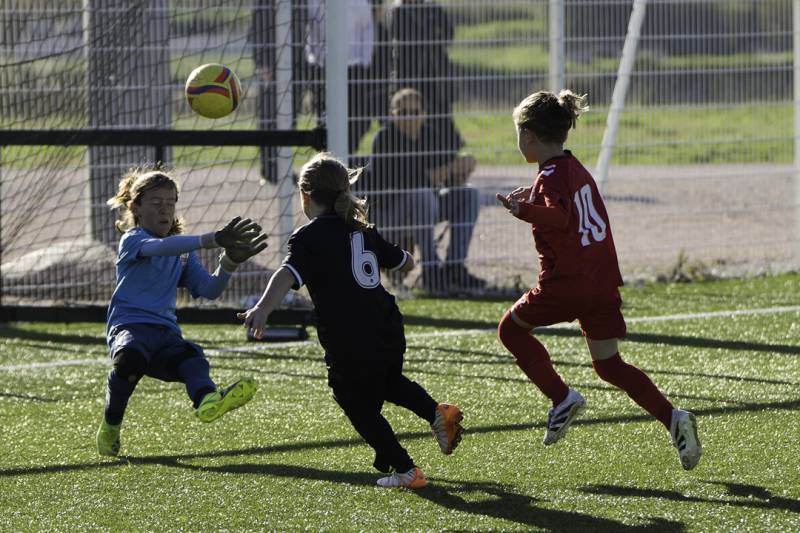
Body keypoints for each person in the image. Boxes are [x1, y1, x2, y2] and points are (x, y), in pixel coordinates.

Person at [495, 90, 702, 470]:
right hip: (601, 281)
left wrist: (522, 209)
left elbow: (559, 217)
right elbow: (566, 205)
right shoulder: (573, 168)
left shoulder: (551, 177)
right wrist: (535, 197)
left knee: (510, 330)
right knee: (608, 365)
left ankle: (561, 398)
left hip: (567, 283)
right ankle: (674, 419)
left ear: (528, 137)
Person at [238, 152, 464, 488]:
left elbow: (286, 274)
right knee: (388, 382)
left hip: (349, 334)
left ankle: (405, 470)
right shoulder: (362, 230)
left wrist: (262, 309)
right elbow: (407, 263)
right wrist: (401, 260)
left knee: (354, 401)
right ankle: (437, 412)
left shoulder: (308, 237)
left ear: (305, 195)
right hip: (387, 324)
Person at [96, 169, 268, 457]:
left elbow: (209, 289)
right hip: (130, 329)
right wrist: (210, 238)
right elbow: (160, 248)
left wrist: (229, 263)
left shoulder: (184, 251)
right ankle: (110, 427)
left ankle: (207, 401)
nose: (165, 210)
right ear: (135, 208)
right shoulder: (133, 240)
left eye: (171, 202)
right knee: (130, 362)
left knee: (193, 360)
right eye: (155, 203)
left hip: (165, 334)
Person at [366, 87, 484, 293]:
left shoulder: (431, 134)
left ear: (424, 113)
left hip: (426, 206)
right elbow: (401, 182)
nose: (409, 117)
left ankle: (455, 267)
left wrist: (461, 171)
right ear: (392, 114)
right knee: (422, 194)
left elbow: (445, 176)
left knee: (469, 193)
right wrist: (446, 170)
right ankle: (431, 271)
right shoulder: (384, 139)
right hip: (390, 213)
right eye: (403, 112)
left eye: (415, 112)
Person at [389, 0, 463, 153]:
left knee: (442, 118)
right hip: (411, 76)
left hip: (437, 77)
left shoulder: (434, 7)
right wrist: (431, 34)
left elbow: (448, 34)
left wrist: (428, 36)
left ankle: (446, 157)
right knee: (412, 119)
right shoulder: (398, 10)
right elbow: (407, 38)